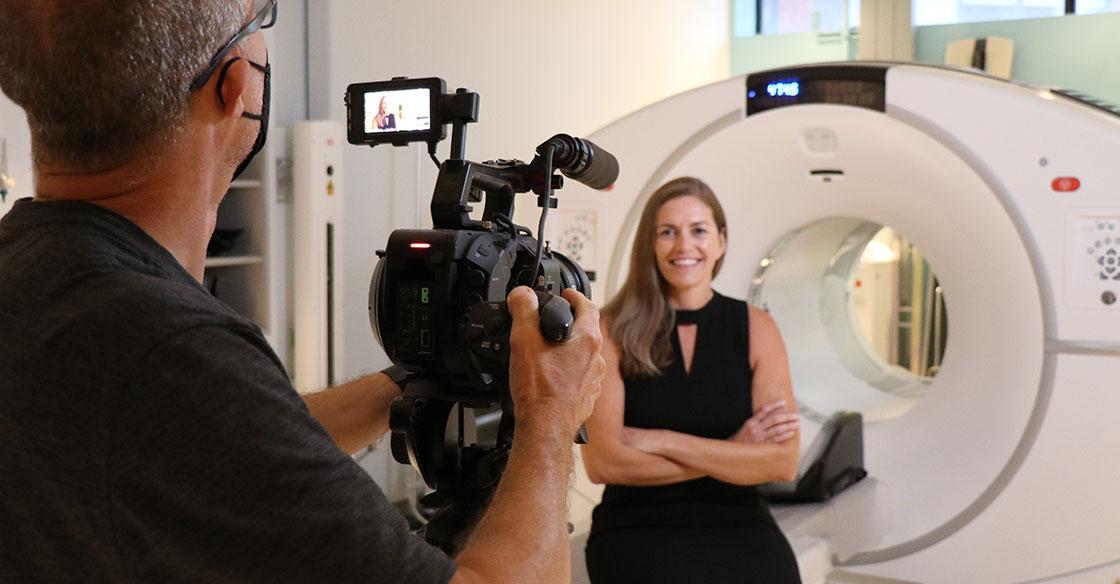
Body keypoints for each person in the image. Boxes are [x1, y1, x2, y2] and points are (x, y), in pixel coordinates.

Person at [0, 1, 604, 583]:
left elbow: (232, 446)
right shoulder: (171, 349)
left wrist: (416, 377)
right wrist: (549, 416)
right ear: (234, 85)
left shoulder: (35, 274)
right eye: (258, 20)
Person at [581, 177, 803, 583]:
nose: (684, 246)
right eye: (668, 232)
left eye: (699, 231)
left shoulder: (757, 328)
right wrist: (733, 453)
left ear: (720, 241)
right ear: (650, 243)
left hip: (741, 523)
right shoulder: (610, 329)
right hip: (637, 527)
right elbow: (604, 463)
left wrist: (664, 440)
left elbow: (782, 461)